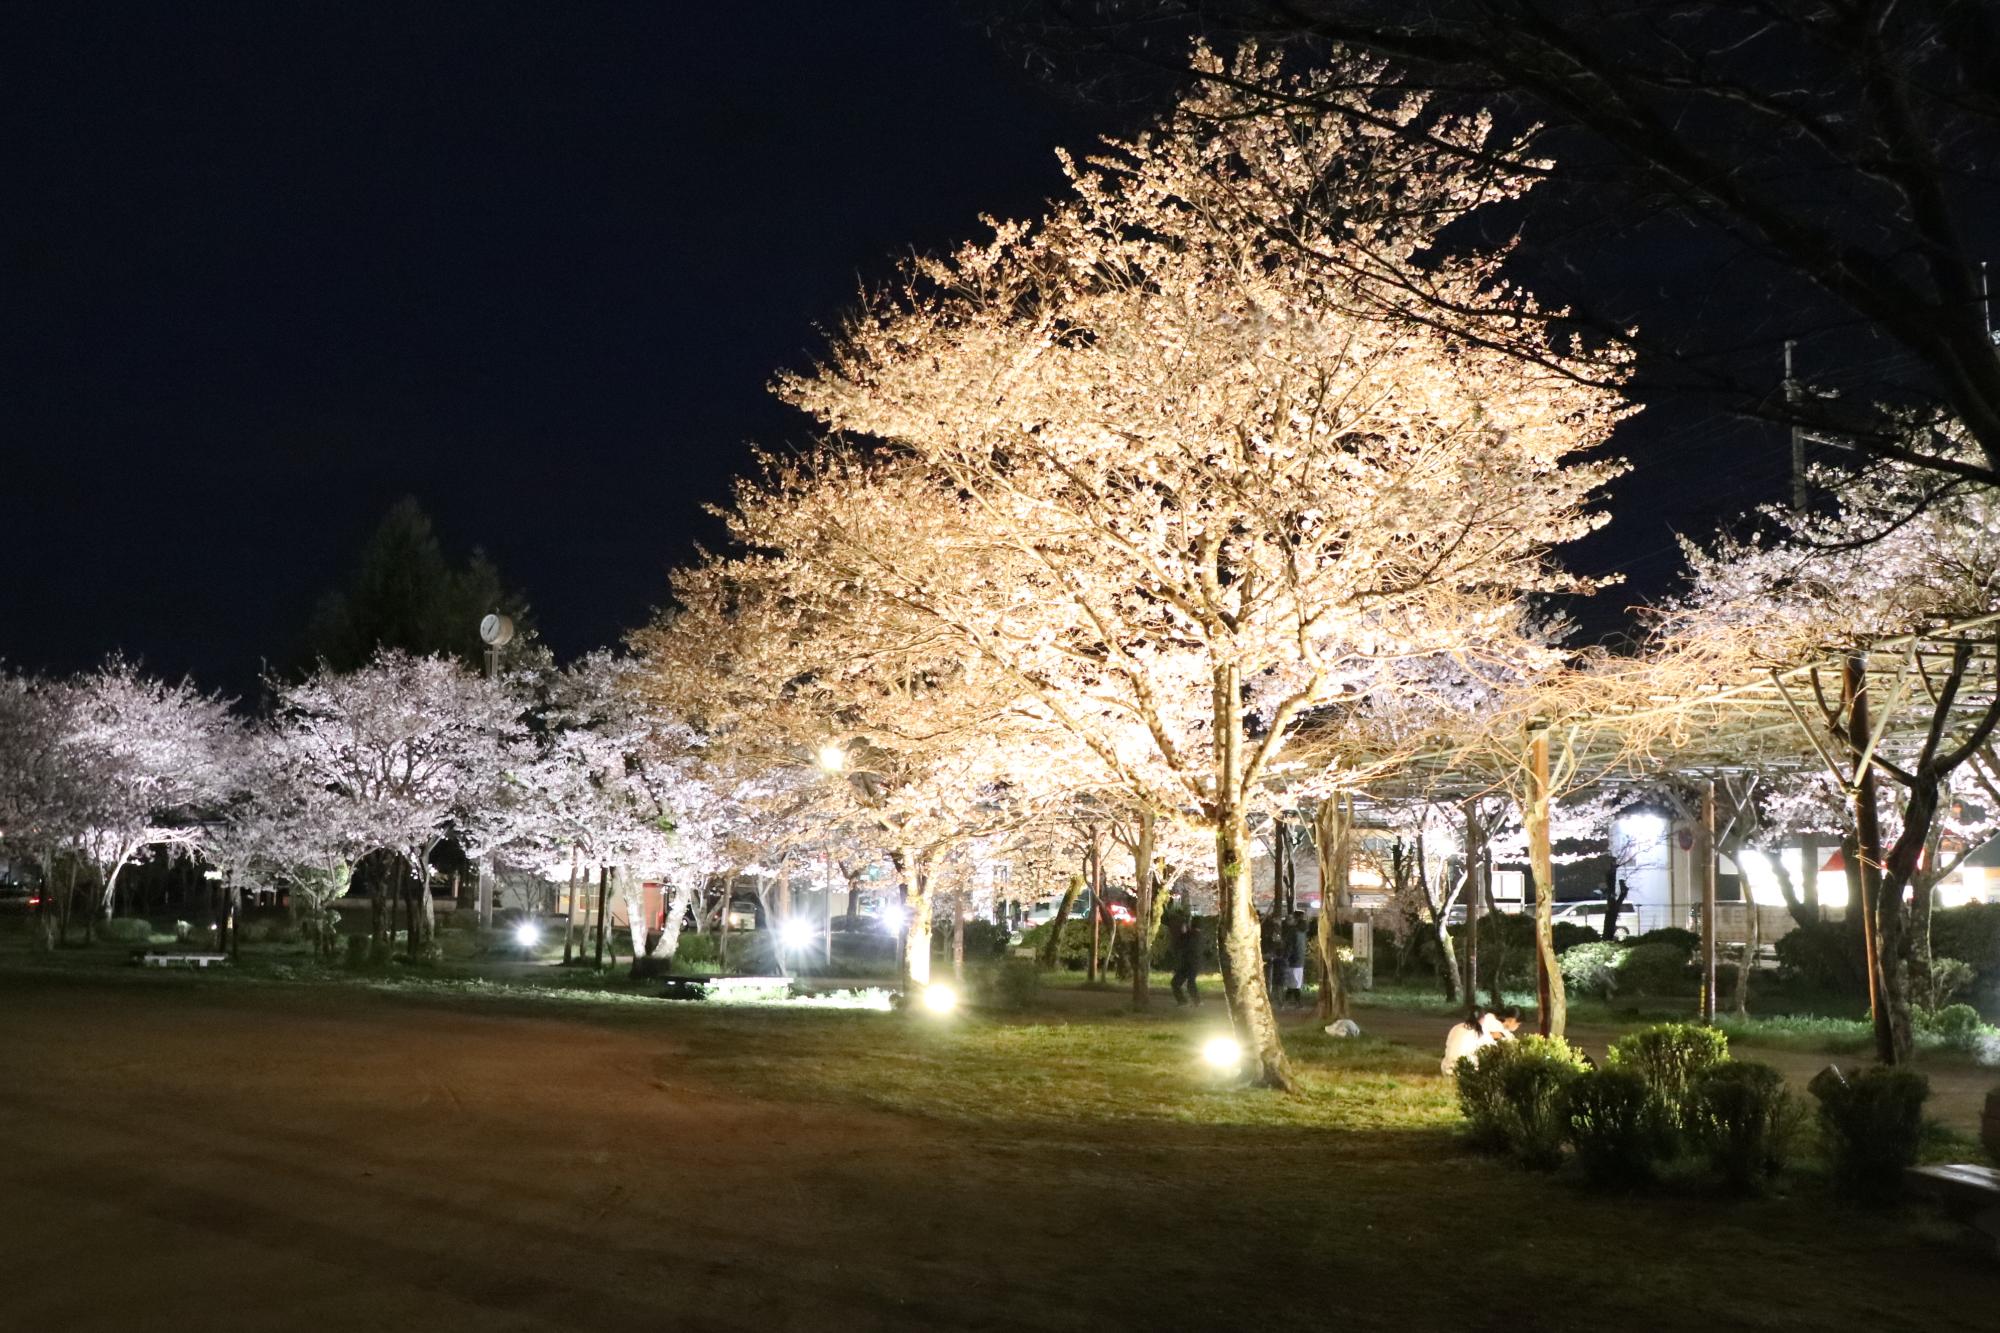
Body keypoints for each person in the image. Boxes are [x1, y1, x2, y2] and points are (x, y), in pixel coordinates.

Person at [1440, 1005, 1522, 1076]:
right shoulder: (1483, 1034)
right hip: (1465, 1073)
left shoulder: (1455, 1027)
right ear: (1482, 1019)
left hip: (1446, 1069)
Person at [1170, 911, 1203, 1006]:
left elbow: (1182, 944)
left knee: (1186, 983)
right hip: (1188, 964)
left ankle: (1195, 1001)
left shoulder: (1192, 936)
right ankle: (1187, 1001)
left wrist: (1184, 933)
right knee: (1178, 983)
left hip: (1190, 964)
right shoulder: (1195, 935)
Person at [1282, 910, 1308, 1007]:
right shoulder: (1303, 931)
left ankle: (1288, 1002)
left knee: (1292, 983)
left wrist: (1285, 957)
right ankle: (1296, 1002)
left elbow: (1290, 947)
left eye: (1292, 918)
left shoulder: (1293, 932)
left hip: (1293, 961)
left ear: (1295, 919)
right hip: (1300, 960)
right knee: (1296, 983)